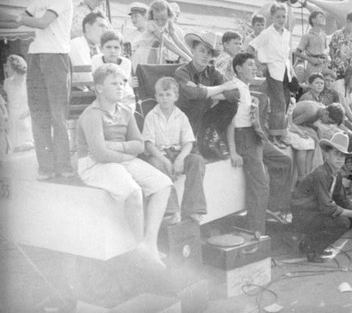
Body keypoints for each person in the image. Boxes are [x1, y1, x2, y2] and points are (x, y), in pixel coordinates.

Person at [77, 64, 171, 268]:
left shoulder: (125, 110)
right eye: (114, 83)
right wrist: (123, 153)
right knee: (133, 192)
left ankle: (149, 243)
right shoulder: (92, 114)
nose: (120, 87)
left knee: (163, 184)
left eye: (122, 83)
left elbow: (139, 145)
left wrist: (118, 147)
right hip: (93, 164)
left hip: (119, 158)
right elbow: (100, 154)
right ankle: (140, 247)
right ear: (99, 88)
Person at [0, 0, 74, 179]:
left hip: (56, 60)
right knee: (39, 114)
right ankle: (46, 166)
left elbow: (41, 23)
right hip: (36, 58)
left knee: (57, 116)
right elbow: (15, 20)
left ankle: (63, 166)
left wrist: (17, 19)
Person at [227, 53, 292, 233]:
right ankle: (256, 233)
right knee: (260, 186)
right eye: (250, 65)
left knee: (284, 161)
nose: (254, 67)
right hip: (244, 137)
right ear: (238, 68)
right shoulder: (235, 88)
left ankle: (273, 206)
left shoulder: (245, 87)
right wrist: (233, 151)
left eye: (255, 64)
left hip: (255, 135)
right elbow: (229, 122)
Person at [291, 132, 352, 263]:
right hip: (303, 214)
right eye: (336, 154)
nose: (340, 159)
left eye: (343, 156)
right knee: (343, 222)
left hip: (314, 212)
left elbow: (343, 200)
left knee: (351, 219)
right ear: (327, 155)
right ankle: (312, 249)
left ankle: (309, 243)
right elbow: (327, 208)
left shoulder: (336, 174)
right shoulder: (321, 174)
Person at [142, 77, 206, 224]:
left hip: (178, 153)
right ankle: (171, 211)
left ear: (176, 97)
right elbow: (149, 144)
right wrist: (164, 160)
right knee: (155, 166)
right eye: (161, 95)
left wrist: (180, 159)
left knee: (197, 161)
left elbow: (188, 142)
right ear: (156, 97)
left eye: (168, 95)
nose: (164, 99)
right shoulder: (152, 116)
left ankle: (193, 209)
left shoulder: (181, 116)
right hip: (159, 154)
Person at [174, 31, 239, 158]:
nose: (205, 56)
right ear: (193, 50)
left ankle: (209, 138)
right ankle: (193, 144)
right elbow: (193, 94)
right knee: (197, 102)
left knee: (231, 105)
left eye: (209, 53)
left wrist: (206, 92)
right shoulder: (182, 72)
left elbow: (235, 93)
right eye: (202, 51)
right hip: (184, 116)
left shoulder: (213, 72)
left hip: (204, 115)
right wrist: (222, 87)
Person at [248, 3, 294, 148]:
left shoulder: (286, 34)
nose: (281, 19)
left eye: (283, 16)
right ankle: (274, 137)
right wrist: (259, 65)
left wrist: (291, 71)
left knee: (286, 102)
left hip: (285, 72)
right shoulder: (267, 33)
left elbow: (288, 55)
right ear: (272, 17)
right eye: (278, 17)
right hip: (273, 72)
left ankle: (281, 133)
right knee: (277, 103)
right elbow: (251, 47)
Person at [132, 0, 191, 68]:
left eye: (163, 19)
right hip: (145, 53)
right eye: (156, 19)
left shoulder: (169, 23)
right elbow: (168, 43)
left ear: (169, 16)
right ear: (152, 16)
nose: (160, 22)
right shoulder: (151, 24)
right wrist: (188, 58)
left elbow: (178, 42)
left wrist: (192, 56)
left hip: (157, 53)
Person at [91, 30, 136, 111]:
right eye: (108, 47)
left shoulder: (126, 63)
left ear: (122, 49)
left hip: (123, 95)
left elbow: (122, 84)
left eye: (116, 47)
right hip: (103, 95)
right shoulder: (96, 60)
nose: (112, 50)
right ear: (101, 48)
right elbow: (96, 82)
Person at [3, 55, 34, 152]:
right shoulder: (7, 83)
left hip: (26, 117)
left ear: (14, 67)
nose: (6, 69)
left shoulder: (28, 82)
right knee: (14, 148)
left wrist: (25, 116)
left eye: (8, 66)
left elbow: (34, 103)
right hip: (12, 118)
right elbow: (7, 102)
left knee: (27, 147)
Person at [294, 11, 330, 79]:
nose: (323, 18)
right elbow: (297, 52)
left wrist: (327, 59)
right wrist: (310, 59)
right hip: (313, 65)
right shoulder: (307, 36)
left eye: (324, 17)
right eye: (320, 17)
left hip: (323, 64)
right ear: (313, 20)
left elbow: (324, 51)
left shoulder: (324, 36)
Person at [328, 11, 352, 79]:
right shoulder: (337, 35)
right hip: (338, 69)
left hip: (351, 70)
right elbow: (331, 50)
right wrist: (334, 62)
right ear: (348, 21)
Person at [332, 65, 352, 131]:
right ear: (348, 77)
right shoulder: (339, 84)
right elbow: (344, 106)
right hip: (334, 116)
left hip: (344, 116)